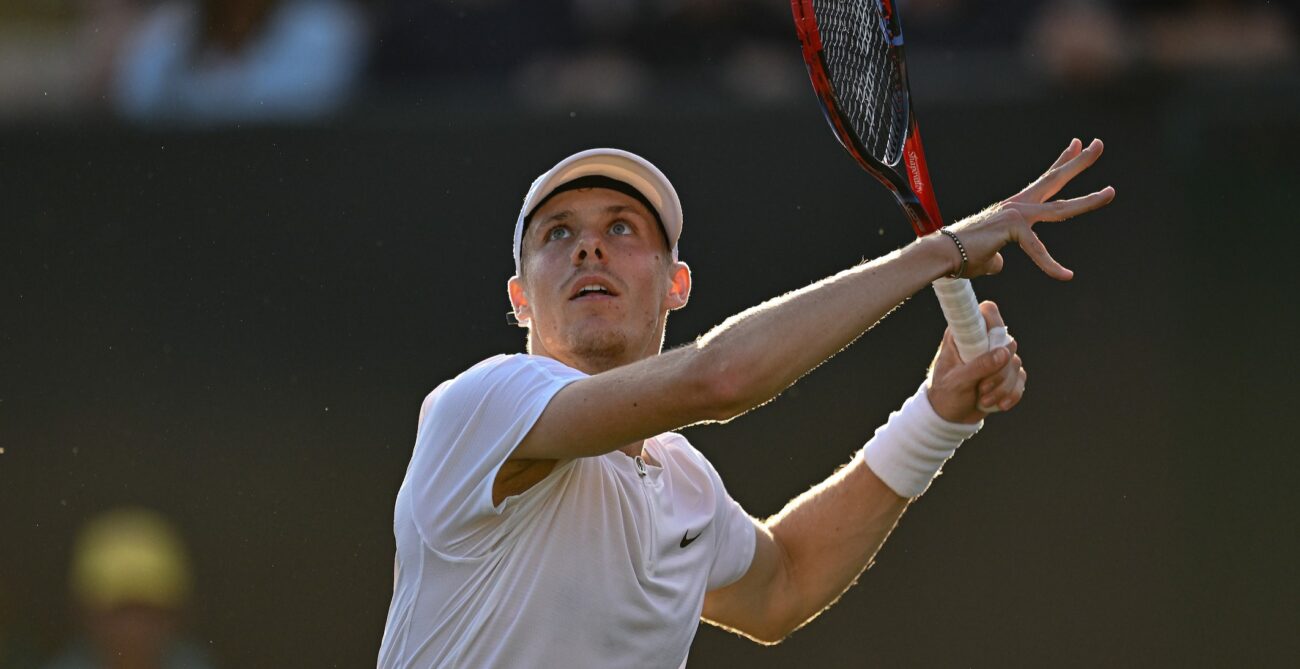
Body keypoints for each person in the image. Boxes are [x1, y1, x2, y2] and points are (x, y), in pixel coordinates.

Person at [378, 141, 1114, 667]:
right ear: (519, 298)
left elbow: (783, 585)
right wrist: (937, 252)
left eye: (622, 228)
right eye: (558, 233)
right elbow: (719, 379)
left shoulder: (682, 483)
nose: (588, 249)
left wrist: (937, 416)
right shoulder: (482, 404)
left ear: (677, 284)